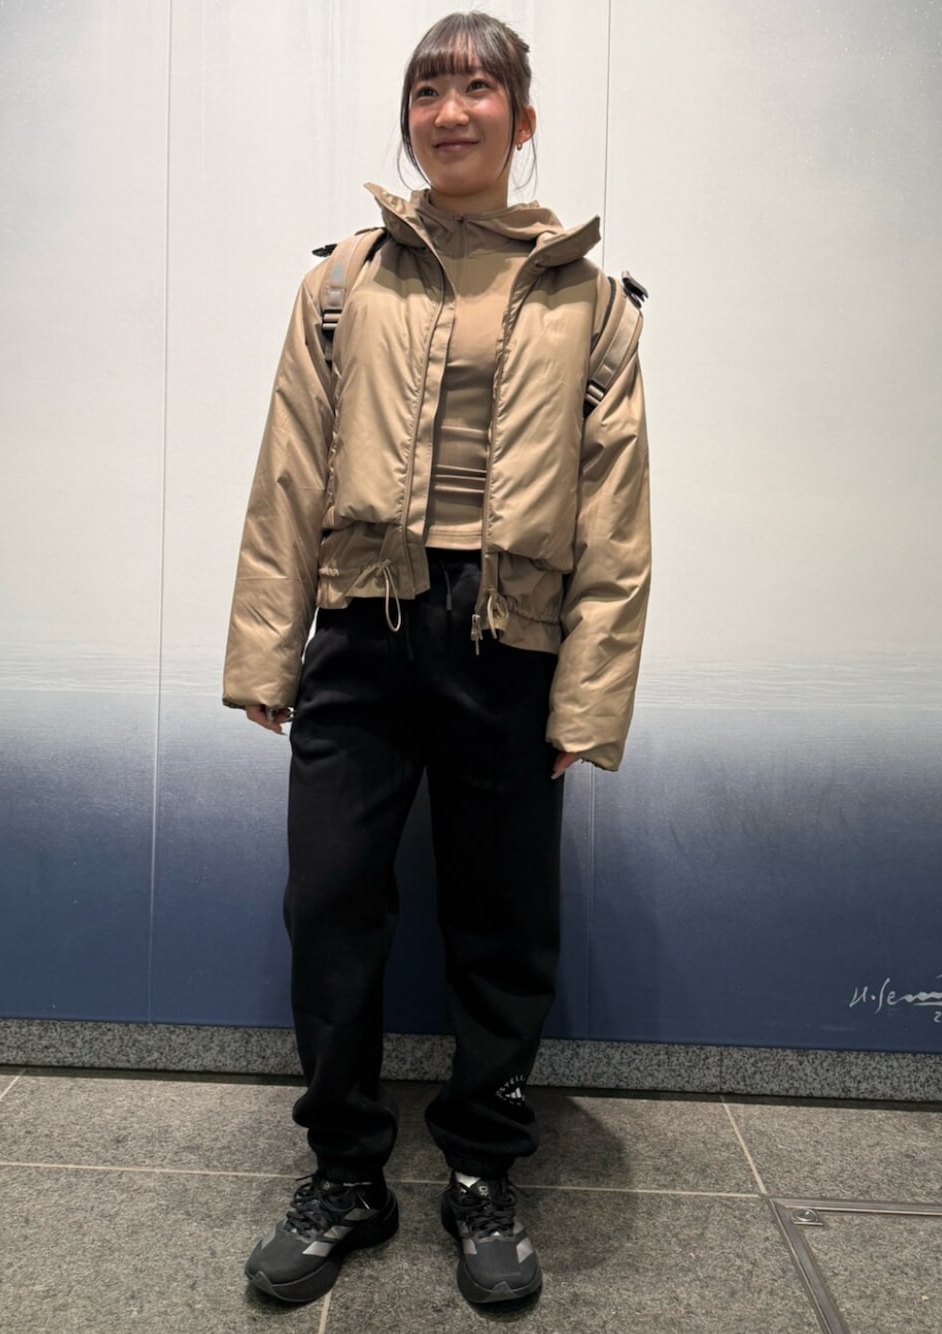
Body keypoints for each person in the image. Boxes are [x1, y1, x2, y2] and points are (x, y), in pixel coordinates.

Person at [223, 9, 650, 1308]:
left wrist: (589, 695)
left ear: (522, 120)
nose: (450, 111)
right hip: (363, 624)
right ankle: (345, 1171)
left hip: (508, 640)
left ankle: (481, 1167)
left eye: (478, 89)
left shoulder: (591, 299)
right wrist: (266, 652)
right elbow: (289, 470)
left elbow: (617, 514)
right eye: (427, 90)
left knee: (502, 922)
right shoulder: (342, 283)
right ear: (408, 118)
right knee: (329, 902)